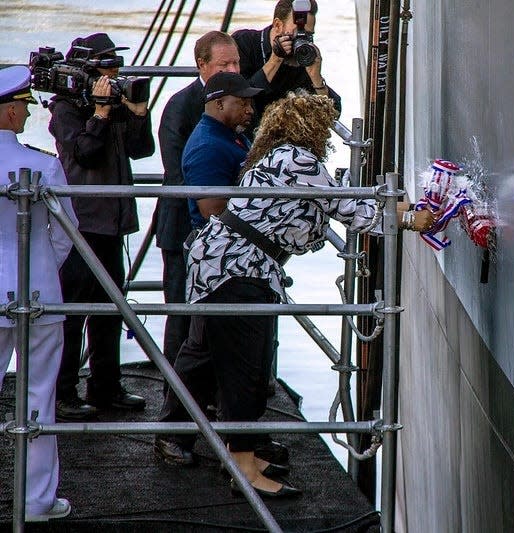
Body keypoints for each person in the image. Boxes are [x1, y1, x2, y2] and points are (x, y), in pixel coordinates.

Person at [164, 91, 434, 499]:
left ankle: (219, 447)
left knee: (204, 356)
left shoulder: (276, 158)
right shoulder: (298, 160)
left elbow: (337, 194)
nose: (327, 134)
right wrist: (412, 219)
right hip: (239, 271)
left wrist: (393, 205)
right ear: (312, 127)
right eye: (324, 126)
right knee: (243, 368)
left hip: (218, 264)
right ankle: (243, 468)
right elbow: (348, 211)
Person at [154, 71, 262, 466]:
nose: (250, 108)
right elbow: (211, 210)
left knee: (206, 353)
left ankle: (227, 438)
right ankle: (173, 434)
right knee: (200, 354)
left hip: (228, 262)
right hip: (218, 264)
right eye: (243, 102)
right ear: (219, 104)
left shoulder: (228, 138)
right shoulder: (207, 146)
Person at [48, 33, 154, 420]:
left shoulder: (112, 100)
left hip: (111, 222)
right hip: (82, 222)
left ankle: (106, 386)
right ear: (88, 69)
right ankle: (63, 392)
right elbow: (85, 155)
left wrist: (138, 111)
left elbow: (142, 150)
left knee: (111, 307)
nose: (114, 73)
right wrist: (100, 114)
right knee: (74, 311)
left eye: (116, 66)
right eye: (107, 66)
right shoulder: (65, 108)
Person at [0, 65, 78, 521]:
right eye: (24, 108)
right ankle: (35, 502)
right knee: (39, 397)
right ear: (10, 113)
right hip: (40, 289)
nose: (27, 115)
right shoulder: (44, 163)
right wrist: (44, 268)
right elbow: (67, 234)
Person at [156, 31, 240, 388]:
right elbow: (177, 174)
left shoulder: (238, 100)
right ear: (202, 65)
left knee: (214, 320)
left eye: (236, 62)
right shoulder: (180, 106)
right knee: (181, 314)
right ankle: (175, 397)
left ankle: (208, 395)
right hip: (183, 229)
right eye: (224, 64)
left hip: (220, 229)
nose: (233, 69)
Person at [232, 0, 341, 135]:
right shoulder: (245, 43)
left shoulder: (302, 58)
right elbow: (240, 100)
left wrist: (316, 78)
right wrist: (275, 60)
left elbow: (333, 115)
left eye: (308, 35)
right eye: (297, 33)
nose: (302, 40)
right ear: (277, 25)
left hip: (285, 145)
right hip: (245, 139)